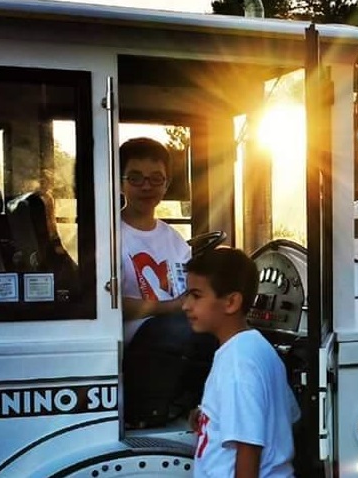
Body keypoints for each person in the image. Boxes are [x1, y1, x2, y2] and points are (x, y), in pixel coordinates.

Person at [119, 137, 217, 425]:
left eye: (156, 179)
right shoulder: (109, 236)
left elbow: (190, 287)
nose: (146, 186)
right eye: (135, 178)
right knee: (184, 329)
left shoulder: (172, 239)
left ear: (166, 184)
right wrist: (169, 307)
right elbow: (107, 305)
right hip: (133, 345)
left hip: (172, 340)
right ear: (119, 182)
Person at [183, 247, 300, 478]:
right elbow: (290, 416)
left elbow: (248, 448)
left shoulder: (237, 363)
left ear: (231, 302)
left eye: (196, 295)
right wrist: (209, 419)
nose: (186, 305)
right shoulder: (256, 348)